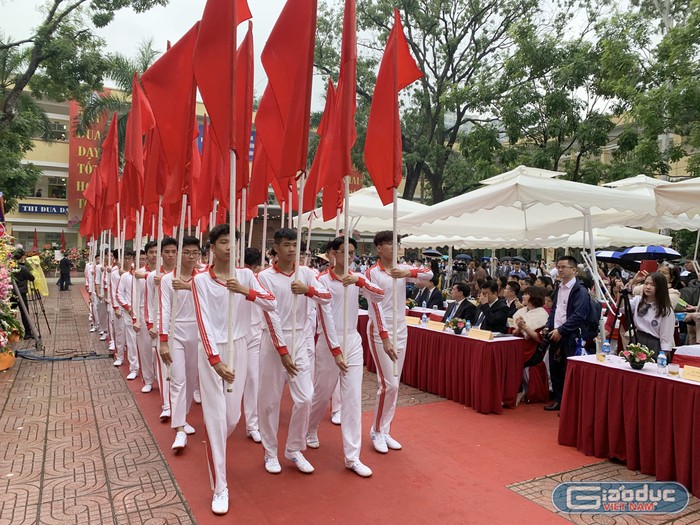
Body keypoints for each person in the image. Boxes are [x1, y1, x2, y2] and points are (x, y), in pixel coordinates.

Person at [191, 225, 281, 515]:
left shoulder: (245, 276)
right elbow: (202, 322)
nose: (229, 247)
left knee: (233, 415)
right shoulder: (201, 281)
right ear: (212, 247)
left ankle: (216, 439)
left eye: (234, 242)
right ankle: (220, 486)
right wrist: (214, 360)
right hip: (212, 352)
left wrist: (245, 291)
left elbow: (272, 302)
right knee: (217, 419)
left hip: (239, 346)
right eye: (223, 242)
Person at [257, 228, 339, 475]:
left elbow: (326, 297)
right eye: (286, 245)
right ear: (276, 248)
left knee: (305, 397)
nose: (291, 249)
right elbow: (269, 315)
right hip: (273, 344)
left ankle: (294, 448)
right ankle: (270, 452)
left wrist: (308, 291)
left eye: (294, 245)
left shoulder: (307, 273)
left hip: (300, 340)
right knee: (269, 402)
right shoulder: (265, 277)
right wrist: (282, 351)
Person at [307, 236, 385, 478]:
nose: (349, 257)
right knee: (321, 393)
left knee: (352, 398)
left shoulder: (356, 278)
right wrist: (335, 351)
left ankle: (353, 457)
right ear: (332, 253)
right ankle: (309, 429)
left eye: (352, 253)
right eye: (344, 252)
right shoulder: (321, 281)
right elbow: (326, 318)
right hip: (329, 343)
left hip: (352, 339)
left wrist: (360, 280)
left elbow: (380, 296)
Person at [365, 231, 433, 453]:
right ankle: (375, 430)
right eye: (389, 244)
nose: (395, 248)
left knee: (395, 383)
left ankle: (385, 429)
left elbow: (429, 274)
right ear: (379, 248)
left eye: (397, 244)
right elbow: (374, 308)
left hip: (401, 328)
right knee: (388, 384)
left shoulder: (401, 270)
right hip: (380, 331)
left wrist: (406, 271)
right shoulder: (372, 273)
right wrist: (384, 337)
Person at [545, 256, 590, 412]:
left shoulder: (580, 290)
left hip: (570, 335)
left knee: (568, 371)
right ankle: (558, 399)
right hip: (555, 333)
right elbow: (555, 310)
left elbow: (578, 316)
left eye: (563, 267)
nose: (560, 270)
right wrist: (549, 326)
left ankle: (569, 405)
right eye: (558, 267)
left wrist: (561, 330)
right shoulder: (559, 287)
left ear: (574, 270)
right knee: (555, 369)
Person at [146, 238, 178, 420]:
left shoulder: (182, 274)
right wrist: (151, 324)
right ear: (161, 254)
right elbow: (149, 302)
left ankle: (187, 397)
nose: (171, 255)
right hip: (161, 326)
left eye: (174, 252)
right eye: (167, 252)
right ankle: (167, 404)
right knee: (164, 366)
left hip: (182, 327)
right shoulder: (153, 277)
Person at [623, 272, 675, 358]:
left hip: (653, 344)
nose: (648, 287)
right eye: (646, 283)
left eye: (653, 285)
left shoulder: (665, 310)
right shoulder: (638, 301)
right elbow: (622, 307)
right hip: (637, 340)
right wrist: (633, 282)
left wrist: (663, 357)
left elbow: (666, 338)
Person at [513, 286, 550, 405]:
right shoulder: (521, 312)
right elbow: (515, 332)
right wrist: (519, 327)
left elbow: (539, 338)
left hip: (533, 349)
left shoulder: (541, 314)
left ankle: (519, 391)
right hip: (518, 344)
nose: (522, 296)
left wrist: (524, 327)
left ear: (533, 297)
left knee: (515, 359)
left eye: (526, 294)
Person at [243, 247, 264, 443]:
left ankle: (252, 424)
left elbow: (269, 303)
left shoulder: (261, 278)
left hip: (255, 334)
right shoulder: (232, 276)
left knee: (253, 378)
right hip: (233, 336)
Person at [11, 249, 35, 339]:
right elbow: (31, 278)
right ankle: (28, 332)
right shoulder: (23, 268)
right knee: (24, 312)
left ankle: (10, 332)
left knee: (10, 313)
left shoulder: (9, 267)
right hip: (21, 293)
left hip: (10, 293)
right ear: (22, 257)